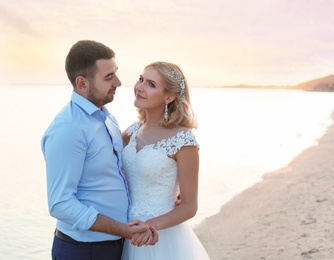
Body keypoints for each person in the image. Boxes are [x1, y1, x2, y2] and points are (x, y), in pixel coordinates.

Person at [41, 40, 158, 260]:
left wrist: (163, 186)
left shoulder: (104, 116)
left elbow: (117, 171)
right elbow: (60, 204)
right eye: (108, 77)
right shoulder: (69, 129)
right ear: (82, 83)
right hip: (84, 251)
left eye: (115, 73)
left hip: (114, 245)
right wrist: (122, 229)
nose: (119, 82)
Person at [121, 61, 210, 259]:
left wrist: (151, 226)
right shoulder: (132, 131)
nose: (140, 87)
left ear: (169, 97)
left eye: (151, 84)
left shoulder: (183, 140)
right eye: (141, 79)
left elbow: (189, 206)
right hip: (127, 232)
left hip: (160, 236)